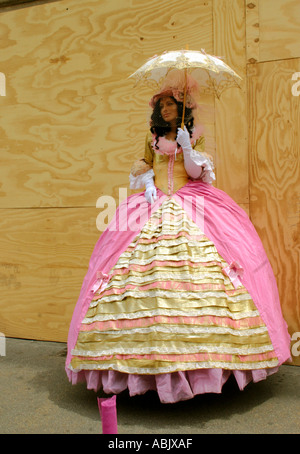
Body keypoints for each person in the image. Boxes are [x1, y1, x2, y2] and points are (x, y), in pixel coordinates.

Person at [65, 78, 290, 404]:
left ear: (183, 109)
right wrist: (148, 182)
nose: (166, 109)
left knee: (202, 270)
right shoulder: (152, 138)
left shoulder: (194, 137)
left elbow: (197, 174)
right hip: (153, 204)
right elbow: (144, 166)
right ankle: (141, 366)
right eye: (162, 105)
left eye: (172, 104)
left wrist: (186, 146)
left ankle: (205, 365)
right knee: (142, 273)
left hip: (193, 202)